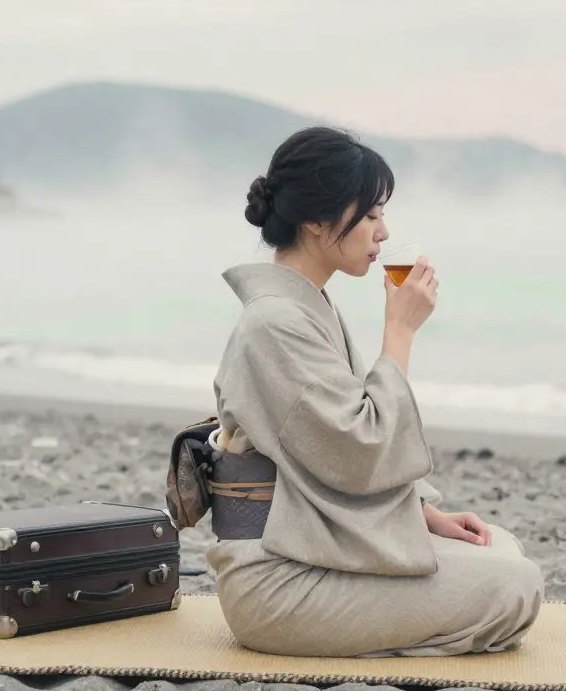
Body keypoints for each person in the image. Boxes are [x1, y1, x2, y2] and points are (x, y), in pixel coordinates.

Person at [205, 126, 544, 658]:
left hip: (314, 547)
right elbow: (360, 449)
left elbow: (327, 455)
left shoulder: (305, 306)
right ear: (317, 222)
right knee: (514, 586)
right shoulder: (275, 322)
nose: (383, 232)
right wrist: (400, 332)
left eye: (382, 215)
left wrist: (424, 515)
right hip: (278, 579)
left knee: (501, 547)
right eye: (370, 215)